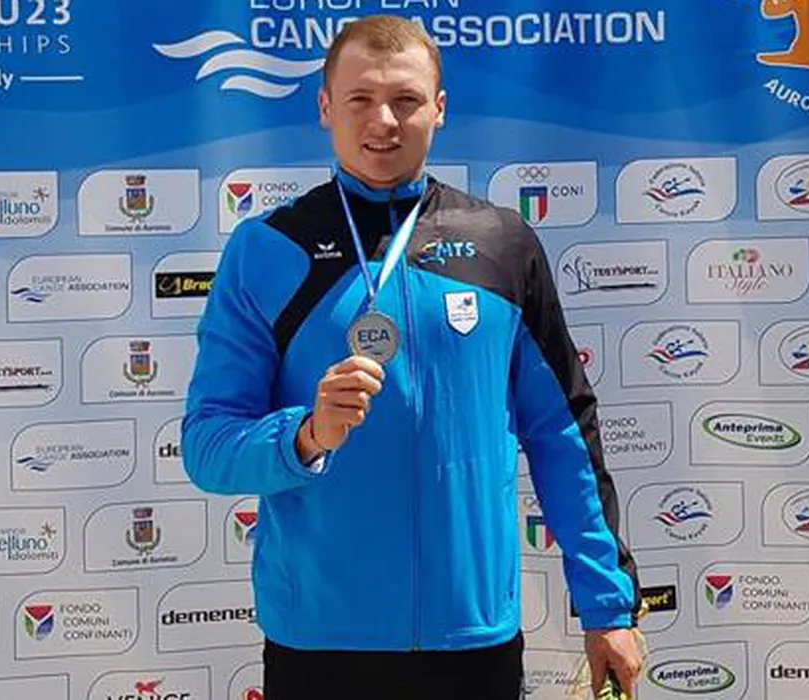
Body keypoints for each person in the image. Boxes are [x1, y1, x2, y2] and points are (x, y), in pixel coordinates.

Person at [182, 14, 643, 700]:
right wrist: (305, 436)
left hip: (471, 642)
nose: (384, 122)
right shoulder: (266, 249)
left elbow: (563, 435)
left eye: (405, 99)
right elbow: (208, 445)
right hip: (321, 643)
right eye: (361, 99)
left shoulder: (501, 244)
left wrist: (607, 607)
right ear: (325, 107)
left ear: (439, 108)